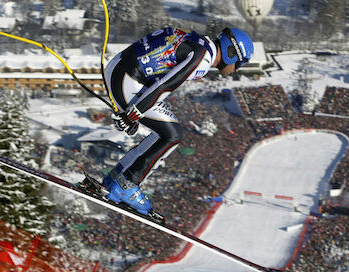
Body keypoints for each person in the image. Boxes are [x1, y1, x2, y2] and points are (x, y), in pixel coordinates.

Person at [101, 27, 254, 215]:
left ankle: (116, 178)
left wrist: (133, 112)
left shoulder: (199, 42)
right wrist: (133, 113)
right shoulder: (202, 59)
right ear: (231, 53)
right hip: (127, 80)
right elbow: (165, 85)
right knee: (172, 135)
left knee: (165, 131)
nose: (237, 70)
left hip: (119, 70)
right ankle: (127, 184)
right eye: (239, 63)